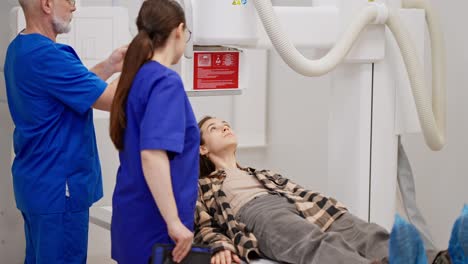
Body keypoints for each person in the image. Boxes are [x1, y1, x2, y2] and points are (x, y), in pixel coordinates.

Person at [194, 116, 453, 264]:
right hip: (255, 211)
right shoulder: (203, 185)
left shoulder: (262, 174)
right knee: (314, 243)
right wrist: (220, 246)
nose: (224, 127)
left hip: (304, 205)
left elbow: (301, 195)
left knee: (366, 234)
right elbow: (203, 225)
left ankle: (437, 260)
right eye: (214, 128)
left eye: (225, 123)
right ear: (202, 148)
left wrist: (332, 210)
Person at [3, 0, 126, 263]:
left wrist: (111, 64)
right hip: (59, 190)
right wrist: (146, 63)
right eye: (69, 0)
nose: (74, 7)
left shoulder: (20, 49)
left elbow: (72, 89)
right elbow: (110, 99)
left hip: (38, 186)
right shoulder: (48, 56)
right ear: (47, 4)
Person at [109, 0, 199, 263]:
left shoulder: (136, 76)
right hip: (155, 225)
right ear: (179, 31)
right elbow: (152, 154)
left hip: (132, 218)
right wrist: (173, 221)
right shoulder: (165, 81)